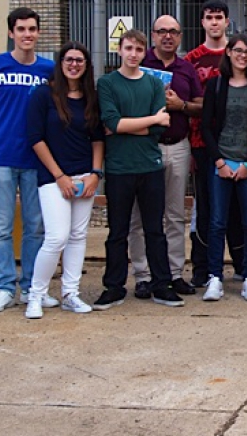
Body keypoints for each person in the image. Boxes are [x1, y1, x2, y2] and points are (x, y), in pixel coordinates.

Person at [0, 7, 56, 314]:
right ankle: (4, 286)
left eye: (32, 29)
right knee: (2, 226)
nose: (27, 34)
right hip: (2, 157)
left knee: (36, 226)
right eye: (21, 29)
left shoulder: (49, 69)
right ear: (11, 33)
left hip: (36, 160)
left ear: (38, 32)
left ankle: (31, 288)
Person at [93, 29, 183, 310]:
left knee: (155, 229)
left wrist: (124, 126)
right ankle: (114, 286)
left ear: (145, 53)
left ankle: (161, 284)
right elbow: (110, 121)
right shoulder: (107, 83)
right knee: (118, 231)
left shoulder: (154, 85)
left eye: (138, 50)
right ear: (119, 50)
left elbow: (160, 126)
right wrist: (141, 122)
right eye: (128, 48)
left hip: (150, 166)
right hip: (120, 168)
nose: (133, 54)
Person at [25, 41, 104, 318]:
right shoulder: (43, 95)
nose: (74, 64)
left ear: (86, 65)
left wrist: (96, 174)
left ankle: (71, 293)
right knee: (56, 237)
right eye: (69, 59)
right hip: (53, 178)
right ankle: (36, 295)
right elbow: (35, 138)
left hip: (85, 177)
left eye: (79, 60)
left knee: (78, 236)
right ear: (60, 63)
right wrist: (59, 176)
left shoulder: (90, 97)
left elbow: (97, 138)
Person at [128, 15, 204, 299]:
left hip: (178, 145)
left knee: (174, 214)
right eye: (162, 31)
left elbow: (200, 104)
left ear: (181, 36)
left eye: (173, 31)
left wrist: (180, 105)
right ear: (153, 35)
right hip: (147, 146)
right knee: (142, 215)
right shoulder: (141, 64)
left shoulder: (186, 68)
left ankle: (173, 273)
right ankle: (143, 274)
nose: (167, 36)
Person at [184, 0, 247, 286]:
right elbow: (188, 104)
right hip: (205, 146)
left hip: (239, 148)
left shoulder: (243, 63)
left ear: (227, 21)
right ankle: (203, 270)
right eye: (209, 18)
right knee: (207, 211)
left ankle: (242, 266)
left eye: (219, 17)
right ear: (202, 22)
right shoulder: (191, 59)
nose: (214, 22)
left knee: (241, 212)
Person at [201, 33, 247, 302]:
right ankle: (215, 277)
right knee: (217, 222)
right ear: (228, 52)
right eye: (238, 50)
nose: (242, 55)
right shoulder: (216, 86)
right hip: (220, 164)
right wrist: (219, 162)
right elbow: (207, 126)